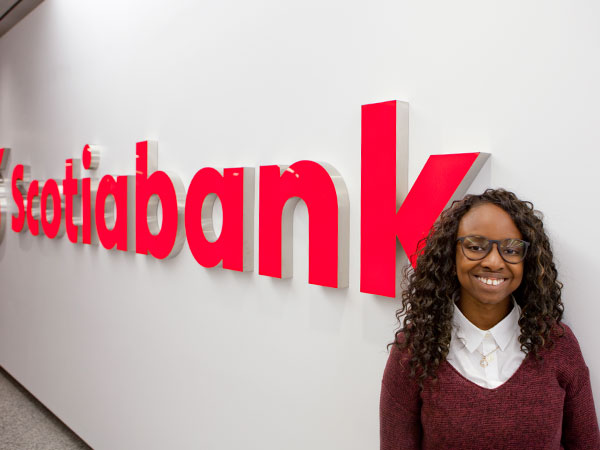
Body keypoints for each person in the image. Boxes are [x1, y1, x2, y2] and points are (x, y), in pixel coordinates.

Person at [380, 189, 600, 449]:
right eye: (475, 247)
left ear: (526, 261)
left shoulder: (557, 344)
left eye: (511, 249)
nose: (494, 262)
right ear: (451, 255)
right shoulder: (414, 350)